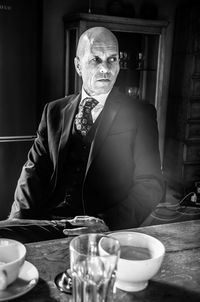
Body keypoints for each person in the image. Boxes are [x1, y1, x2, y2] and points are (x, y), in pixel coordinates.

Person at [1, 27, 164, 242]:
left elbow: (151, 184)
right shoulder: (54, 111)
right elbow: (33, 171)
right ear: (78, 66)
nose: (105, 68)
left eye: (112, 59)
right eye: (95, 59)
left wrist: (107, 223)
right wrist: (18, 223)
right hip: (47, 221)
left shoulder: (140, 113)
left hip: (99, 227)